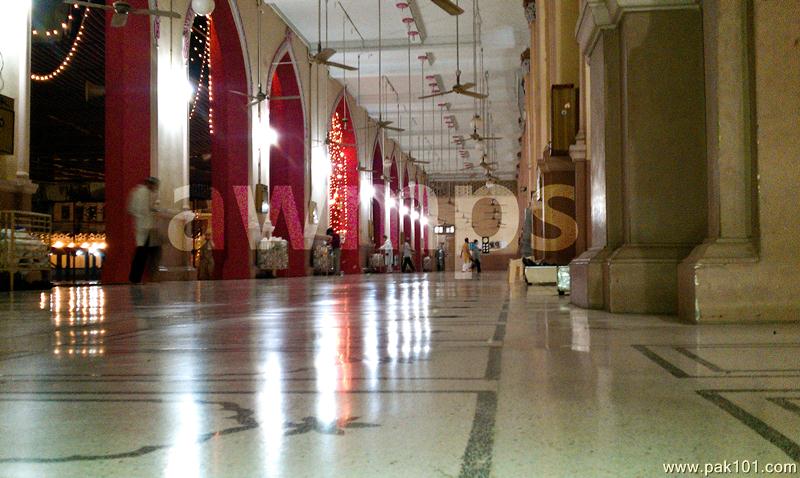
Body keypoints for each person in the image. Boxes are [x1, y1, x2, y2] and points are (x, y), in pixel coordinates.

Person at [128, 176, 160, 284]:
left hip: (141, 227)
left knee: (141, 254)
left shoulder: (136, 192)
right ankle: (146, 277)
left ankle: (135, 278)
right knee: (150, 253)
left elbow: (131, 209)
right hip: (147, 227)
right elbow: (149, 209)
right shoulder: (146, 194)